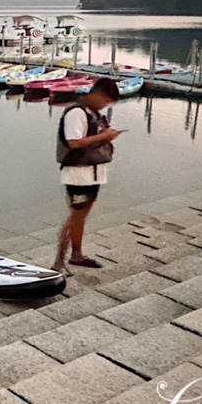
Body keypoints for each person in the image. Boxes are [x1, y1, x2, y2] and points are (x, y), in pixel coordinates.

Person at [53, 77, 123, 271]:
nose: (105, 105)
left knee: (81, 215)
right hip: (78, 175)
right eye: (106, 100)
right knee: (76, 215)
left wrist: (106, 135)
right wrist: (104, 136)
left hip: (92, 173)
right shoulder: (77, 112)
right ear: (98, 94)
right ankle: (59, 261)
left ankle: (76, 254)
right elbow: (74, 141)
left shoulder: (92, 113)